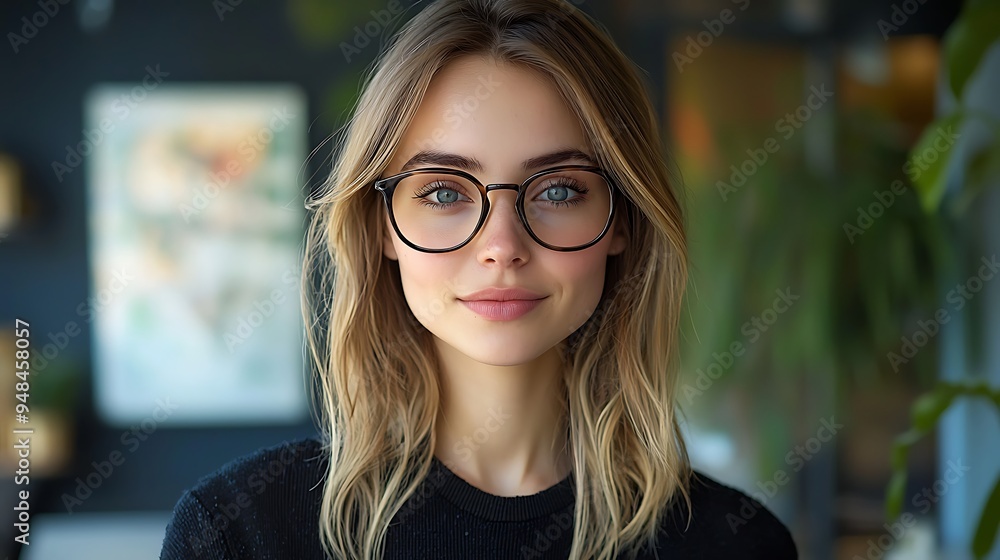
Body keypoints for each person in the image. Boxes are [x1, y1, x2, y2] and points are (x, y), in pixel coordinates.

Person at [160, 0, 799, 558]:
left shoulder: (737, 544)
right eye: (443, 192)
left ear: (622, 220)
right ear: (382, 224)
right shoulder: (239, 535)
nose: (501, 247)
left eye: (558, 189)